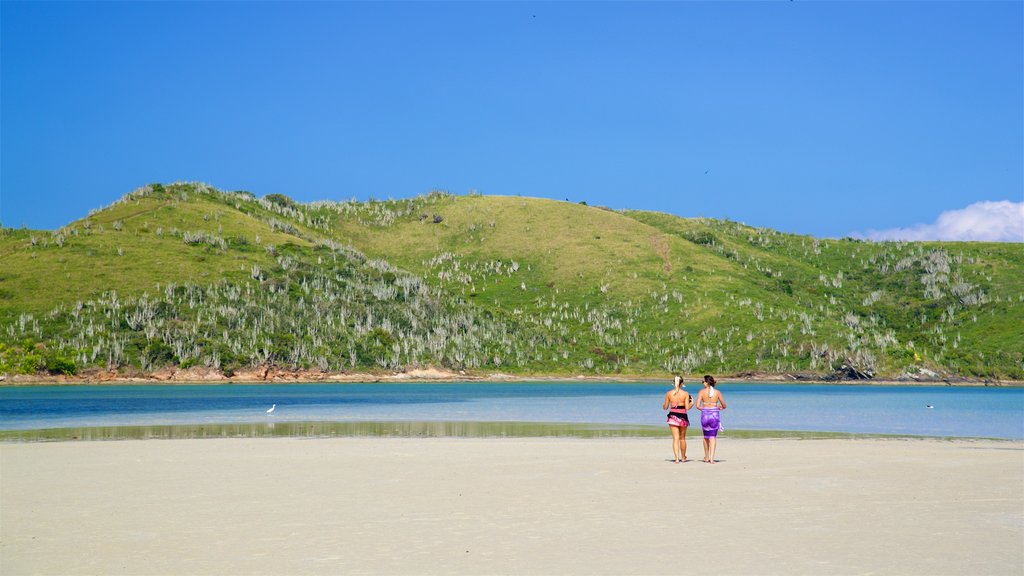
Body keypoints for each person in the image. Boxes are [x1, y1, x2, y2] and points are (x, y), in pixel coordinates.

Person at [695, 374, 726, 463]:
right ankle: (712, 458)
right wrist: (718, 407)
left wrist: (705, 408)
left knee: (705, 437)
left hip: (705, 415)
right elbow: (724, 405)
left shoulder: (701, 392)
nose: (702, 383)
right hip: (714, 415)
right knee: (712, 437)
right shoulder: (717, 392)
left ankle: (706, 457)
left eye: (703, 381)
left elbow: (697, 406)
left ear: (706, 382)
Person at [662, 374, 693, 463]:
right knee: (682, 438)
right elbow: (687, 408)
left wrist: (663, 405)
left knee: (675, 438)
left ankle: (676, 458)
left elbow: (665, 407)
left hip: (672, 416)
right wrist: (692, 404)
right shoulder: (686, 394)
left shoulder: (669, 393)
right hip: (683, 416)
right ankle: (683, 457)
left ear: (673, 383)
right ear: (682, 384)